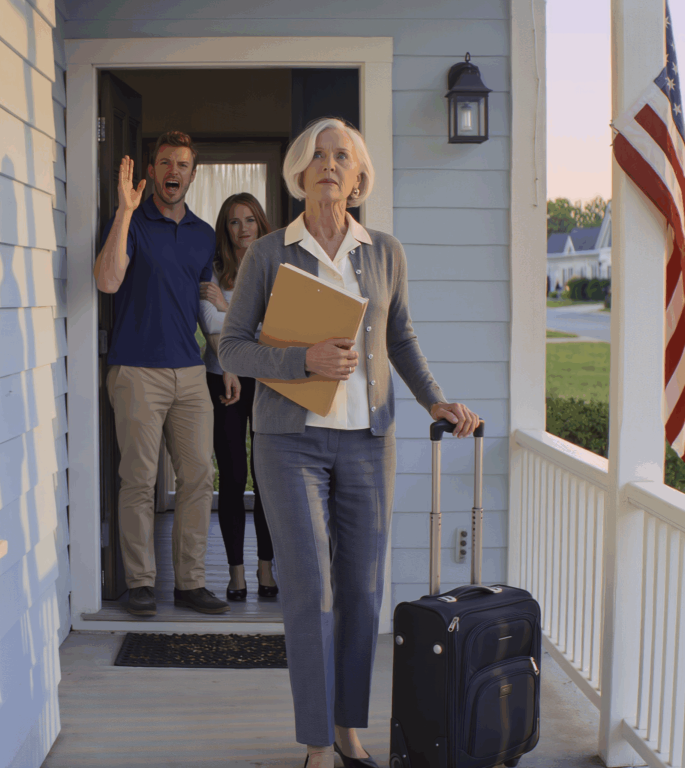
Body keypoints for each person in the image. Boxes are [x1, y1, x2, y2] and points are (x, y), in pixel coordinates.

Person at [219, 118, 480, 768]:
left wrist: (436, 400)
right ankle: (315, 744)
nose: (329, 164)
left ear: (358, 178)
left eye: (343, 156)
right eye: (318, 154)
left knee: (362, 592)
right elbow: (232, 346)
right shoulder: (270, 252)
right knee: (310, 592)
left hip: (368, 444)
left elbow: (402, 339)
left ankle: (347, 730)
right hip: (288, 445)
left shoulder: (385, 252)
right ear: (299, 173)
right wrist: (300, 359)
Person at [93, 130, 230, 618]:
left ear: (193, 175)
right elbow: (107, 280)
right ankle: (141, 584)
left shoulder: (201, 233)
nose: (174, 171)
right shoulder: (130, 220)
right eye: (166, 162)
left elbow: (204, 303)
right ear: (152, 170)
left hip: (190, 371)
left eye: (184, 164)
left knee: (198, 477)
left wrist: (223, 356)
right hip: (136, 371)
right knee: (139, 479)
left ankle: (191, 583)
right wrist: (126, 211)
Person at [199, 193, 279, 601]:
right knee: (230, 476)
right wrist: (241, 318)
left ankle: (266, 568)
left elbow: (277, 325)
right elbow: (209, 323)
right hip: (222, 378)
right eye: (234, 222)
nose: (243, 228)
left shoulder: (276, 267)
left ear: (261, 224)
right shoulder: (213, 269)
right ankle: (236, 574)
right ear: (225, 228)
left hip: (267, 381)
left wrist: (228, 308)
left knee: (265, 475)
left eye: (250, 220)